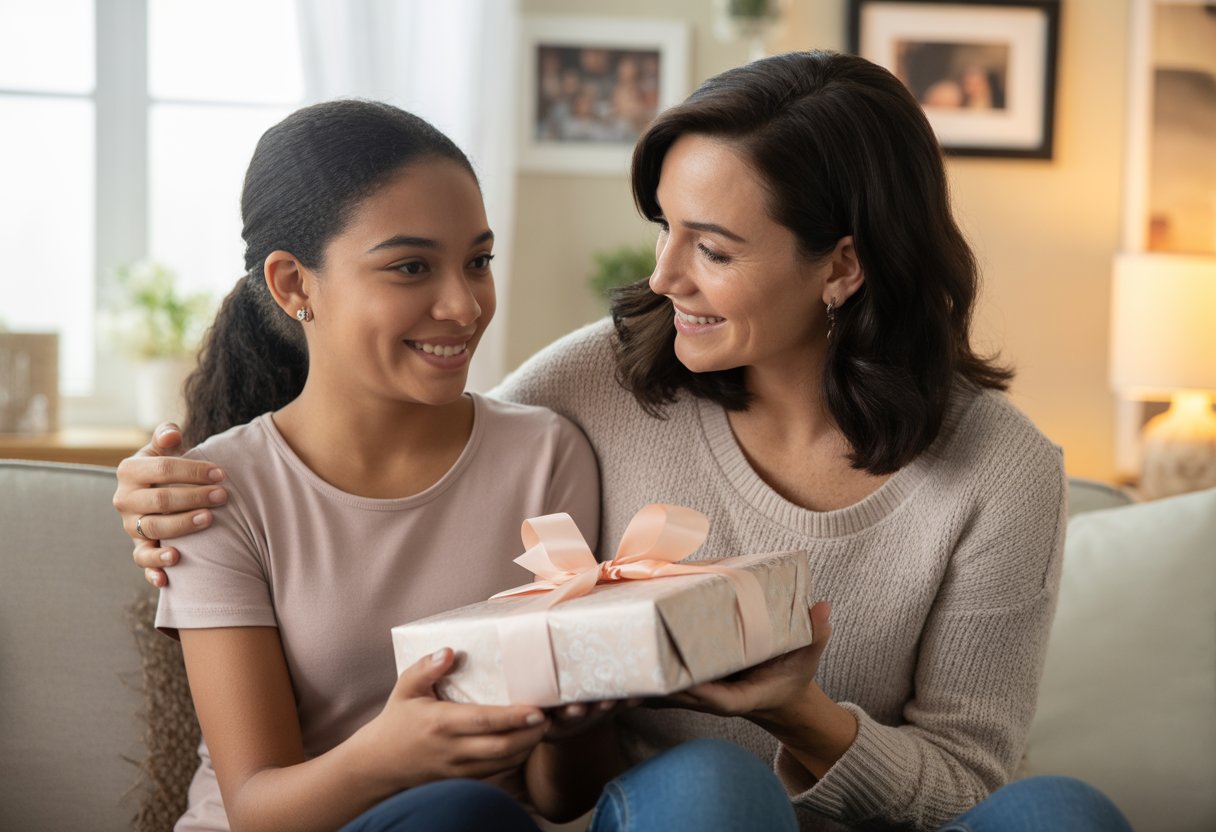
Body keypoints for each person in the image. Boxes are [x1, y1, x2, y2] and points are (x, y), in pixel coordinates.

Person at [113, 52, 1132, 831]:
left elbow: (967, 780)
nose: (663, 277)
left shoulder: (996, 470)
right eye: (665, 228)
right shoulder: (596, 382)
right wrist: (161, 490)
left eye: (714, 248)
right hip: (686, 811)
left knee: (1064, 813)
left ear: (843, 265)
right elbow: (405, 444)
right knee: (707, 781)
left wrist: (800, 711)